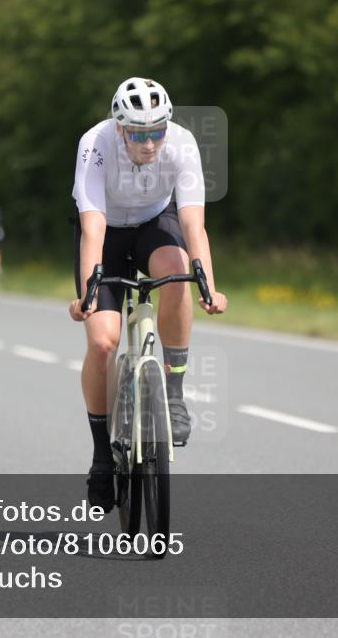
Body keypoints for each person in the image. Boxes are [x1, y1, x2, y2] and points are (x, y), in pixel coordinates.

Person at [69, 77, 227, 510]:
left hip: (155, 226)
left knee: (178, 274)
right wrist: (88, 292)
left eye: (157, 131)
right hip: (106, 235)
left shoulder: (181, 143)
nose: (150, 142)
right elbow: (91, 227)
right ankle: (103, 458)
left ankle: (173, 395)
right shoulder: (95, 144)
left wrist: (208, 284)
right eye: (139, 134)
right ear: (120, 127)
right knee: (102, 343)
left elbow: (194, 224)